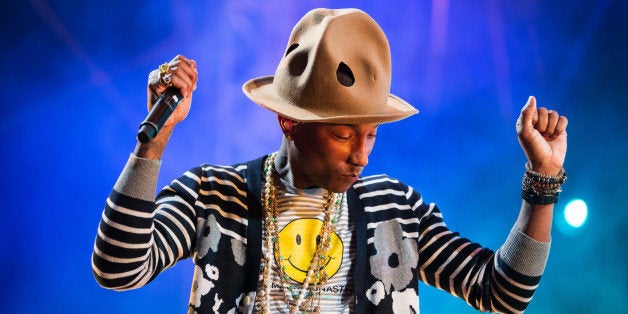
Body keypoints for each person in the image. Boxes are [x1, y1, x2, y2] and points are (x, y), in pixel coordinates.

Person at [92, 8, 568, 314]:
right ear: (289, 122)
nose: (361, 154)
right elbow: (117, 269)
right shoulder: (214, 194)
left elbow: (503, 293)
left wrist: (542, 183)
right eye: (343, 134)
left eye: (371, 135)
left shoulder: (396, 210)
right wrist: (156, 139)